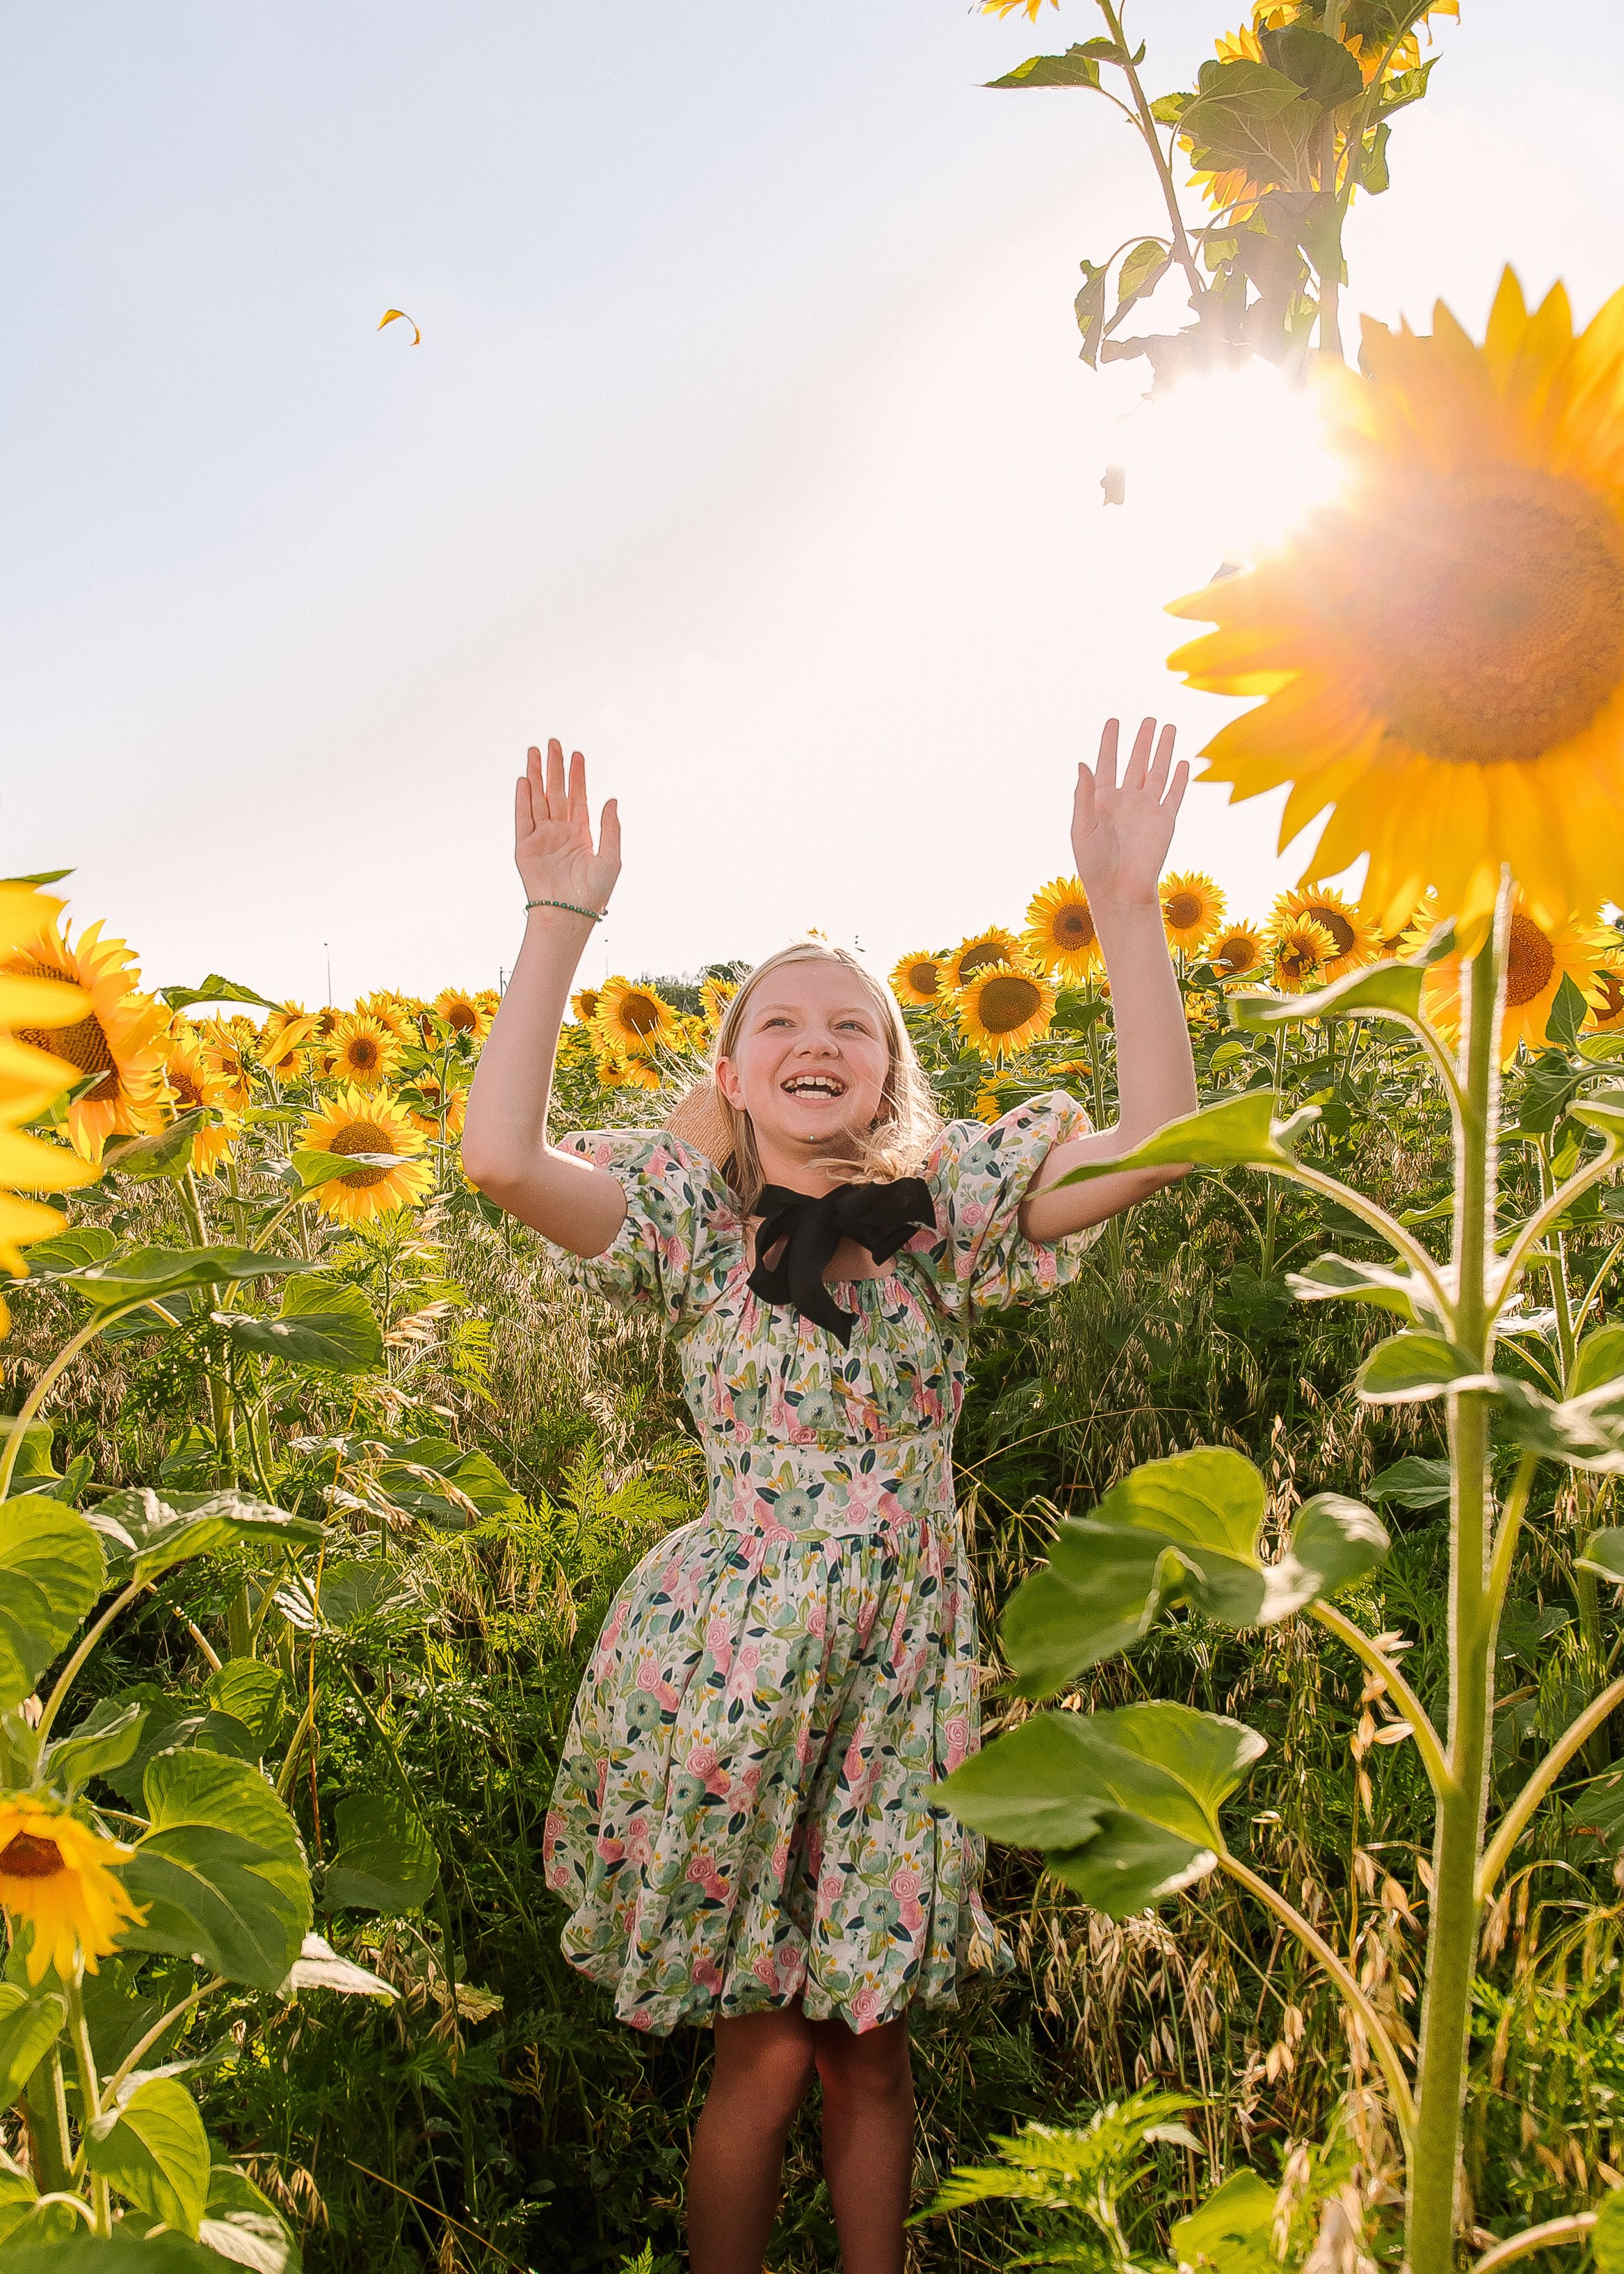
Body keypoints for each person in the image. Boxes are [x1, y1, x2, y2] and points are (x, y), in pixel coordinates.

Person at [462, 723, 1198, 2274]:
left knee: (867, 2041)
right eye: (778, 1019)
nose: (815, 1038)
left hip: (896, 1670)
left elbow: (1160, 1145)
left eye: (849, 1024)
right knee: (768, 2050)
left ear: (886, 1071)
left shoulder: (948, 1217)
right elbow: (497, 1157)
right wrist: (556, 920)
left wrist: (1127, 907)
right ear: (729, 1070)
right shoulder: (683, 1218)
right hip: (731, 1669)